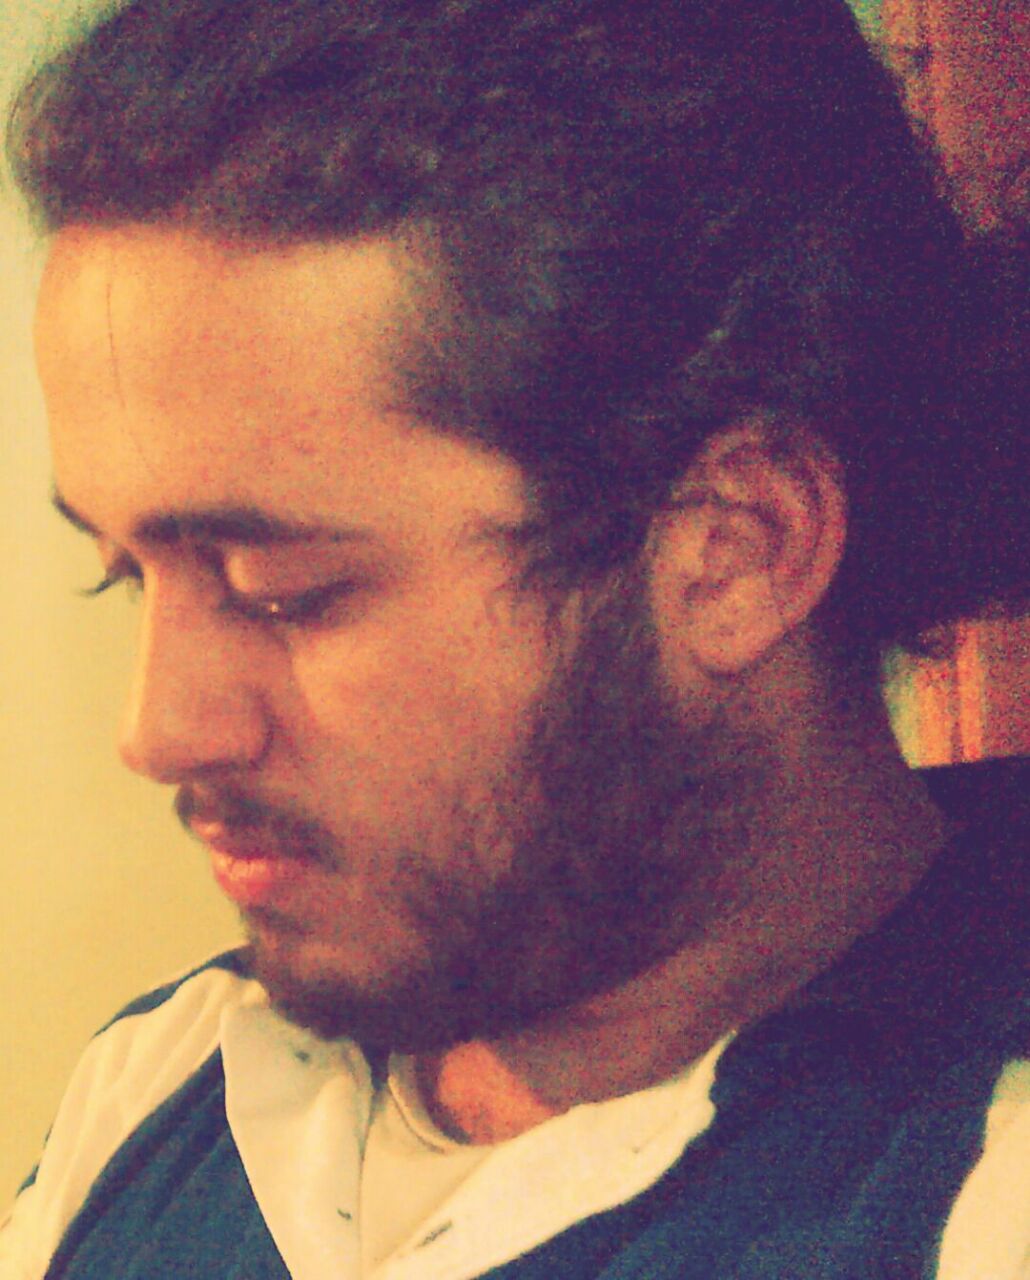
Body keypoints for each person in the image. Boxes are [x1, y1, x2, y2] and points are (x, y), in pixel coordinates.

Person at [2, 0, 1026, 1276]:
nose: (157, 730)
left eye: (280, 589)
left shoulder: (978, 1190)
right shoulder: (162, 1077)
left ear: (735, 547)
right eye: (123, 574)